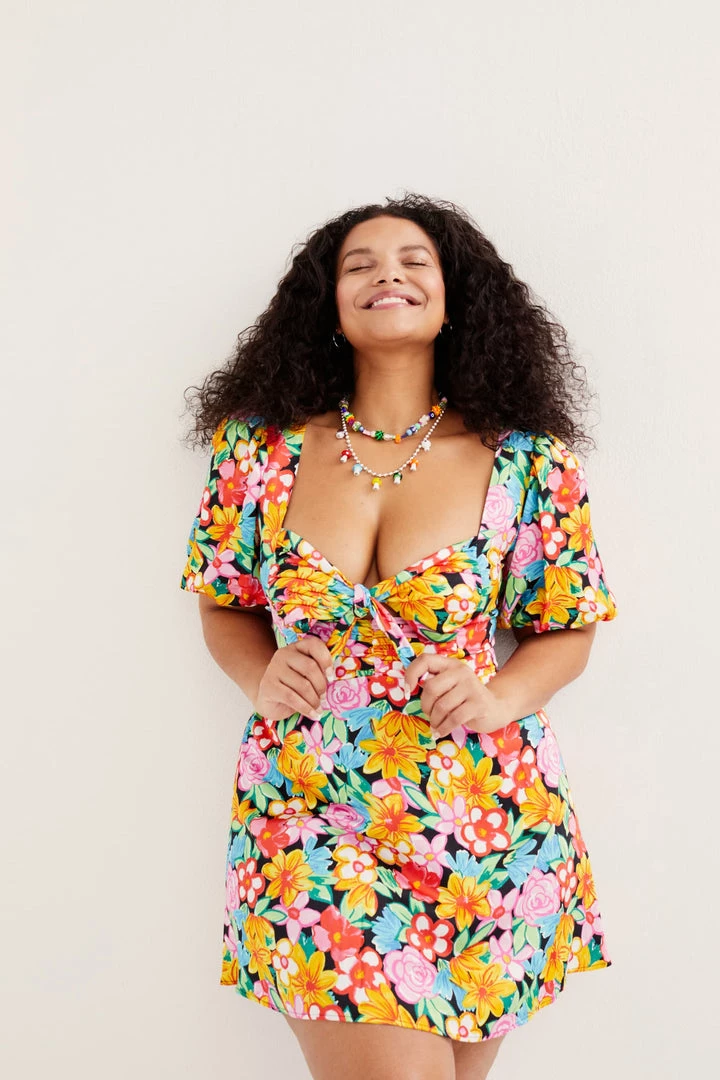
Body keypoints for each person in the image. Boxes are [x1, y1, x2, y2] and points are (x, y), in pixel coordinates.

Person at [179, 193, 619, 1080]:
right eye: (360, 263)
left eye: (416, 261)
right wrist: (260, 677)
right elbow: (224, 602)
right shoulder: (257, 452)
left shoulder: (528, 460)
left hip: (484, 819)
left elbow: (566, 630)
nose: (389, 274)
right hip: (307, 809)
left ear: (456, 300)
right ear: (328, 304)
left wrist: (499, 695)